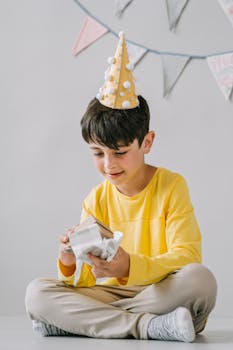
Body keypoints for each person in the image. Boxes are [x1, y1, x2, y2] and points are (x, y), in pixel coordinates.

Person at [25, 32, 217, 342]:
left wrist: (129, 265)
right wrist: (68, 259)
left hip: (158, 291)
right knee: (37, 294)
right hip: (111, 296)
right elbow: (85, 283)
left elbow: (187, 257)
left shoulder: (171, 186)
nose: (109, 164)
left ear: (147, 142)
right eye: (98, 153)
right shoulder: (96, 199)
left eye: (120, 152)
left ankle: (81, 323)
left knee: (201, 280)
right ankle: (150, 327)